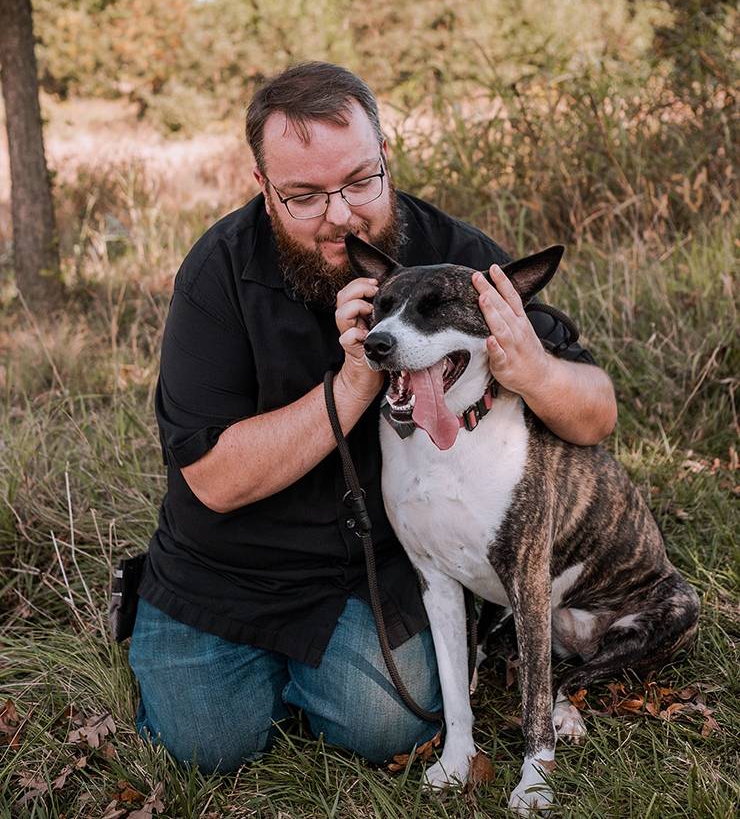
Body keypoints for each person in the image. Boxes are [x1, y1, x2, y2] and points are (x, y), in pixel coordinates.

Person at [128, 62, 617, 773]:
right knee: (206, 744)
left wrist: (534, 370)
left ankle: (322, 677)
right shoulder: (217, 273)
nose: (341, 214)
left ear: (386, 157)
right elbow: (212, 479)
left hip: (371, 569)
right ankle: (169, 629)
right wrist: (358, 378)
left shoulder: (460, 260)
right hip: (227, 566)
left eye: (361, 181)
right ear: (262, 186)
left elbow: (596, 414)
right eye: (303, 195)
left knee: (388, 723)